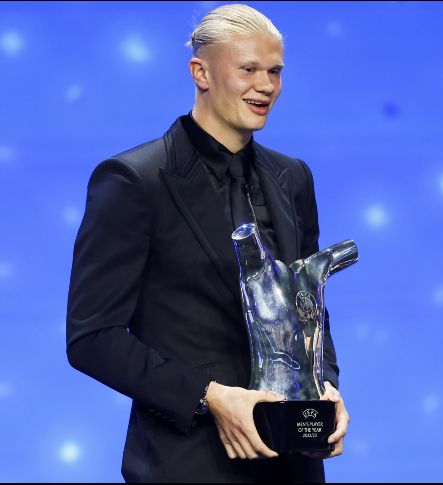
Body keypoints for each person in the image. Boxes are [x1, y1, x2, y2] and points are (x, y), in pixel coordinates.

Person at [66, 4, 349, 482]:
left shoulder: (293, 177)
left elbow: (309, 307)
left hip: (293, 466)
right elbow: (92, 338)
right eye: (249, 69)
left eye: (275, 71)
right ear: (200, 72)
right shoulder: (135, 181)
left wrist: (326, 385)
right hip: (188, 463)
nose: (266, 85)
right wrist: (211, 395)